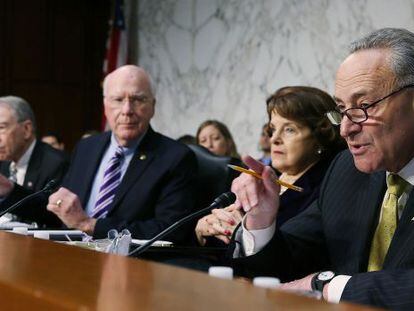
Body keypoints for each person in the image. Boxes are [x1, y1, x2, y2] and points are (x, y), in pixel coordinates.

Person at [230, 28, 414, 309]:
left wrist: (329, 286)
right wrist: (261, 220)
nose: (346, 129)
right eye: (341, 110)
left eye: (364, 106)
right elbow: (290, 263)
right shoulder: (346, 171)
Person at [46, 65, 197, 243]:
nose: (127, 110)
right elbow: (59, 209)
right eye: (118, 100)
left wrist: (89, 224)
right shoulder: (87, 147)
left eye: (138, 99)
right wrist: (10, 190)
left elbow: (168, 230)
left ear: (153, 106)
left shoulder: (175, 158)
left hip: (131, 263)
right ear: (105, 106)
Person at [195, 86, 345, 246]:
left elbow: (294, 249)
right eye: (273, 129)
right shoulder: (261, 177)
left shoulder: (328, 186)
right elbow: (224, 226)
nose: (274, 139)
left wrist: (243, 231)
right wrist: (205, 227)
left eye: (289, 129)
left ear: (320, 136)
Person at [0, 96, 69, 227]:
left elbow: (55, 217)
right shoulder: (4, 162)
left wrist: (11, 190)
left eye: (1, 128)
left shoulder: (56, 163)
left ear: (26, 129)